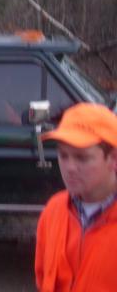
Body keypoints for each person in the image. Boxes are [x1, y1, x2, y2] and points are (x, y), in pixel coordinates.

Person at [35, 102, 117, 292]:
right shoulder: (53, 210)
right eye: (63, 156)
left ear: (113, 159)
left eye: (82, 158)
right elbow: (42, 278)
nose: (70, 168)